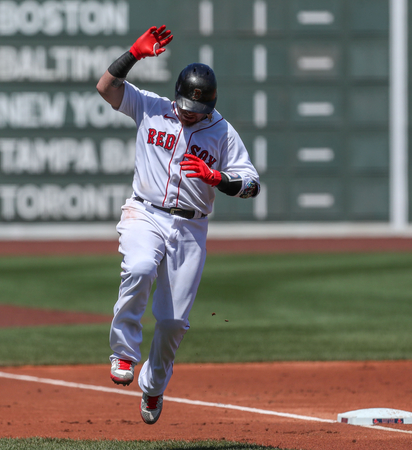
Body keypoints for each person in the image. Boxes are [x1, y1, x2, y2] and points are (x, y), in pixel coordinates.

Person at [96, 25, 261, 425]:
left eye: (199, 108)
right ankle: (123, 353)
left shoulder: (222, 132)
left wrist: (218, 178)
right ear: (176, 95)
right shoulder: (150, 107)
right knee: (139, 267)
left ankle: (153, 386)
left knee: (172, 323)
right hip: (145, 212)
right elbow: (105, 88)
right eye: (186, 104)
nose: (190, 112)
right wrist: (133, 55)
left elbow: (252, 185)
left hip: (190, 228)